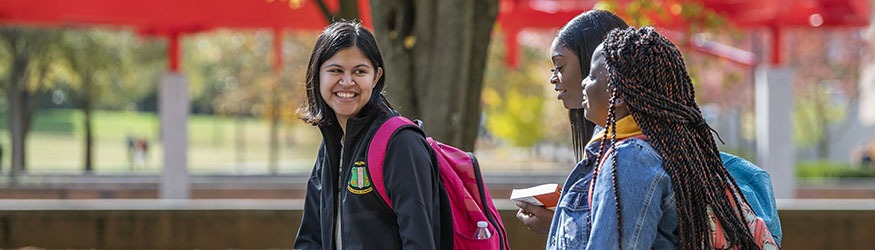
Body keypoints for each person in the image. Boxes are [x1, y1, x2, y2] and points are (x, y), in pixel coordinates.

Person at [515, 10, 782, 245]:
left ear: (617, 86)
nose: (584, 83)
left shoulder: (629, 158)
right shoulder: (652, 149)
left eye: (592, 76)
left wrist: (560, 227)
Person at [294, 21, 448, 250]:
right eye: (336, 70)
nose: (347, 82)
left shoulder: (401, 142)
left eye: (359, 71)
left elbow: (420, 242)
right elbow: (311, 238)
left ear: (375, 77)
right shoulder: (332, 144)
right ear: (318, 75)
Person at [515, 9, 629, 235]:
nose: (553, 78)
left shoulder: (629, 154)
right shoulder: (605, 139)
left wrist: (558, 227)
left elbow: (620, 238)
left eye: (560, 66)